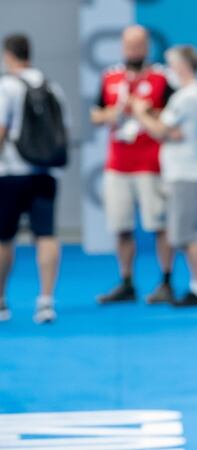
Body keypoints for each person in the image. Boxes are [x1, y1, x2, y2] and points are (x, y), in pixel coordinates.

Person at [90, 25, 175, 305]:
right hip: (118, 165)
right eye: (129, 45)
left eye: (138, 45)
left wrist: (146, 111)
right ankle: (126, 281)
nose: (133, 51)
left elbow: (173, 116)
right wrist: (112, 114)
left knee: (159, 225)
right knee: (121, 226)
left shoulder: (162, 78)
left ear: (147, 46)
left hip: (151, 165)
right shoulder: (110, 77)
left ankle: (166, 280)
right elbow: (95, 114)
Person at [131, 45, 197, 307]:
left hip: (185, 172)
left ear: (183, 66)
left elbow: (161, 130)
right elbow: (167, 129)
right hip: (182, 171)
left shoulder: (186, 96)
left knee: (188, 234)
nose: (167, 71)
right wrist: (160, 125)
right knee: (185, 232)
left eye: (171, 65)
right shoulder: (189, 95)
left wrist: (141, 112)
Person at [0, 34, 66, 324]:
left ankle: (1, 301)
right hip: (45, 173)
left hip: (11, 174)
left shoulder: (7, 86)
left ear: (8, 55)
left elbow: (1, 130)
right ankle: (46, 301)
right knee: (46, 235)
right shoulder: (53, 87)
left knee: (4, 239)